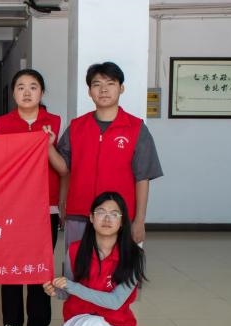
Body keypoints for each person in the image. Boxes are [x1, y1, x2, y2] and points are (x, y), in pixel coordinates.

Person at [38, 191, 147, 326]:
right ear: (91, 217)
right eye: (101, 212)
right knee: (93, 325)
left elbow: (115, 302)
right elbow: (68, 292)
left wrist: (72, 287)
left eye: (114, 214)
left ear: (122, 221)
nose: (107, 219)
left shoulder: (134, 256)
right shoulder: (75, 250)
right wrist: (56, 290)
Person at [0, 69, 65, 326]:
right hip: (10, 209)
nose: (27, 92)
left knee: (40, 265)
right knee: (10, 264)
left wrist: (48, 145)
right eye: (20, 87)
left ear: (42, 92)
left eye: (33, 87)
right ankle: (12, 322)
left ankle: (37, 323)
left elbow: (64, 169)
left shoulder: (56, 123)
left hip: (46, 208)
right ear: (13, 93)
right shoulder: (0, 125)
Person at [51, 61, 163, 250]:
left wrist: (139, 220)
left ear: (121, 88)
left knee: (118, 267)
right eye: (97, 84)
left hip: (119, 217)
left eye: (110, 83)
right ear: (89, 91)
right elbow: (64, 168)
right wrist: (48, 146)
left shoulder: (136, 128)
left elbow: (142, 178)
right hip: (80, 214)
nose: (103, 90)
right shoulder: (77, 127)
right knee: (77, 265)